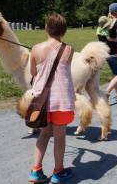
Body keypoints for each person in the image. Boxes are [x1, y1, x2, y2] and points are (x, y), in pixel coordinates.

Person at [28, 13, 75, 183]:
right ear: (64, 31)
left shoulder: (35, 48)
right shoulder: (68, 49)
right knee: (60, 136)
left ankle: (36, 171)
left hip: (41, 101)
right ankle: (58, 171)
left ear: (46, 28)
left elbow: (33, 72)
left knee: (44, 134)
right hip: (61, 101)